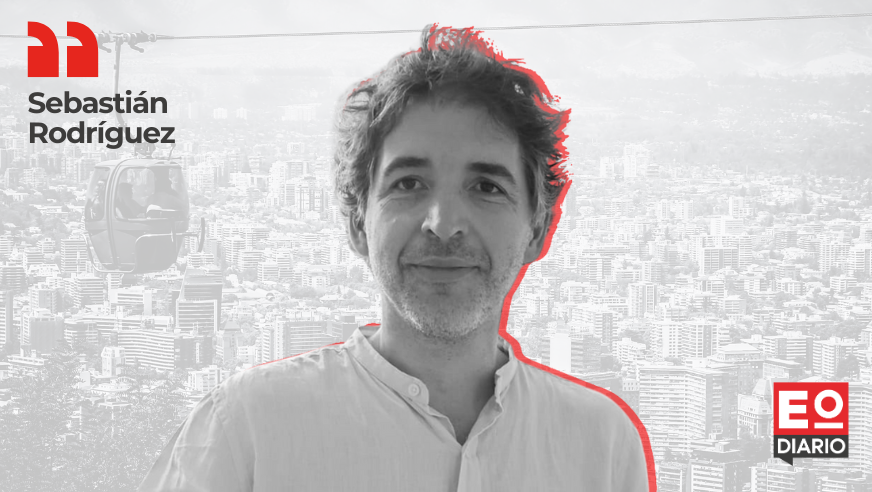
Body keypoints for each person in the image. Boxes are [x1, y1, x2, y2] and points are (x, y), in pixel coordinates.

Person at [139, 25, 653, 492]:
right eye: (409, 184)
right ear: (357, 223)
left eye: (486, 187)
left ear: (538, 229)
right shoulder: (247, 430)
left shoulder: (602, 447)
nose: (443, 223)